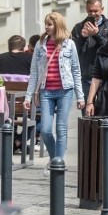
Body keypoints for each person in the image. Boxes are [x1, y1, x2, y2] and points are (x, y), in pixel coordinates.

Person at [24, 12, 85, 175]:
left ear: (57, 25)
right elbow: (34, 71)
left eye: (49, 24)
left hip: (65, 91)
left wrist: (80, 96)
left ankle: (58, 163)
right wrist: (28, 96)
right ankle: (54, 159)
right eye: (45, 24)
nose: (46, 27)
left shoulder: (69, 44)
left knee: (61, 129)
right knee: (45, 130)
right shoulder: (40, 44)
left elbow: (76, 70)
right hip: (46, 91)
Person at [72, 0, 108, 113]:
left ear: (102, 9)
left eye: (96, 11)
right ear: (86, 10)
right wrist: (82, 38)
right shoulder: (79, 27)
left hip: (105, 76)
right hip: (86, 76)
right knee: (87, 113)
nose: (93, 13)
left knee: (103, 113)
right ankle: (88, 132)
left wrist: (96, 34)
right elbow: (72, 51)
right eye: (90, 11)